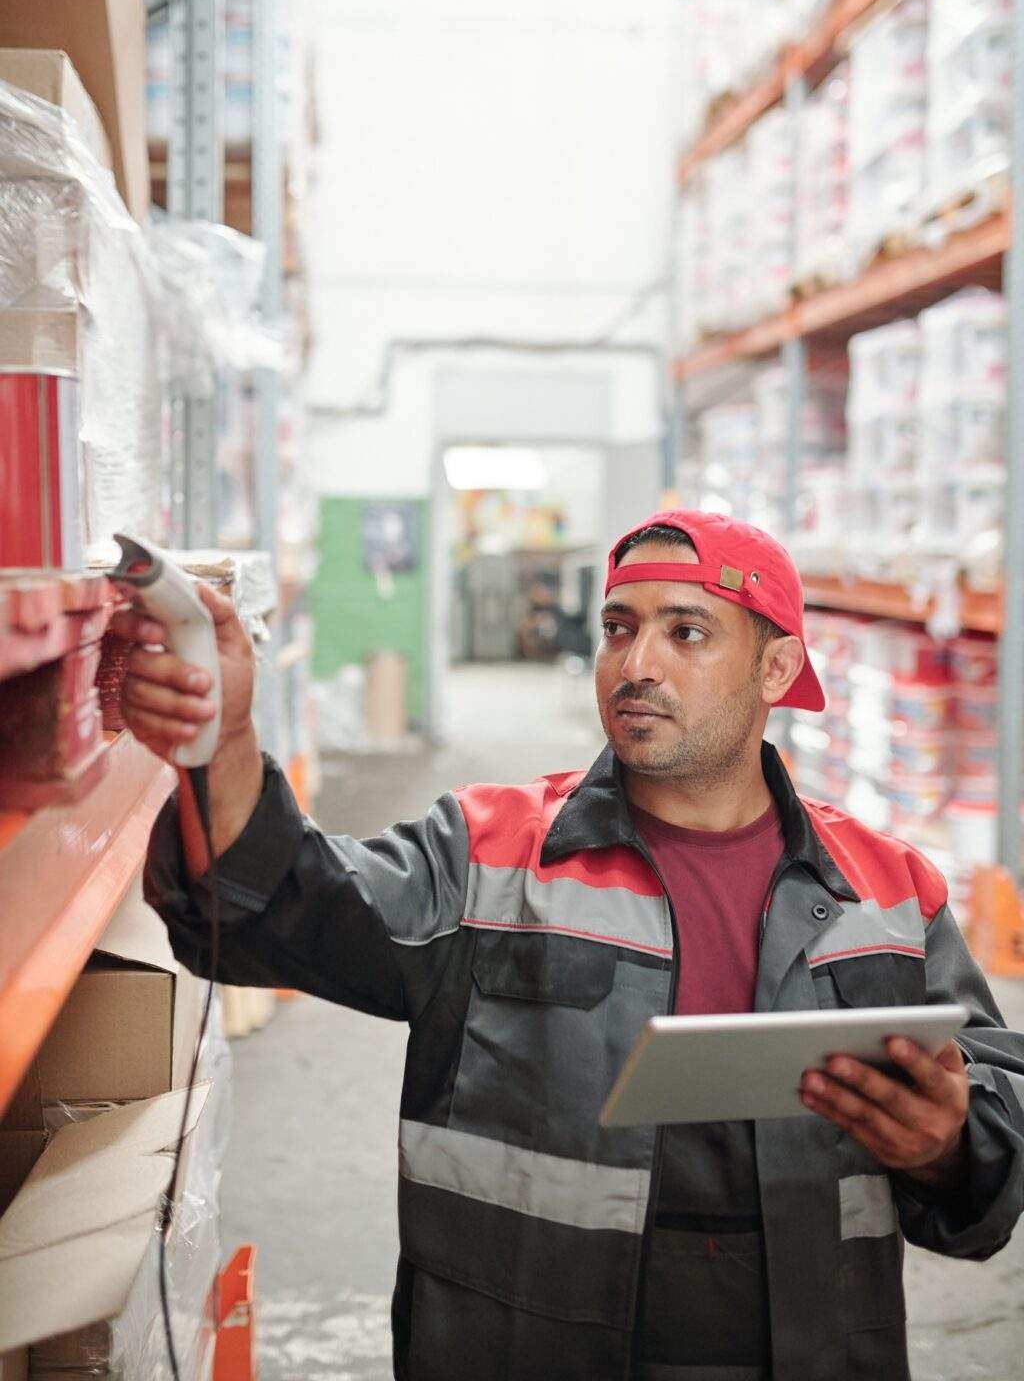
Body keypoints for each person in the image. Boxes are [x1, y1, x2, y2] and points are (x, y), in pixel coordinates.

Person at [116, 510, 1024, 1381]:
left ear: (777, 668)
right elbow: (280, 908)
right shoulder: (488, 854)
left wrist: (946, 1143)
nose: (637, 664)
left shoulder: (888, 889)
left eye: (687, 633)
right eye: (618, 629)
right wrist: (225, 742)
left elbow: (999, 1114)